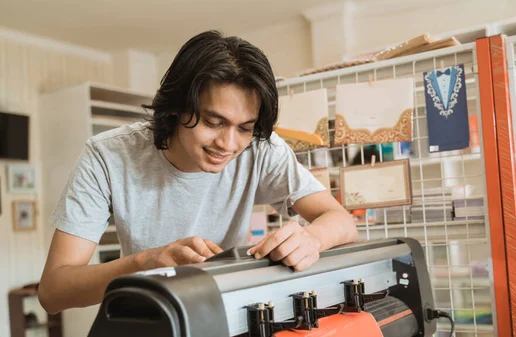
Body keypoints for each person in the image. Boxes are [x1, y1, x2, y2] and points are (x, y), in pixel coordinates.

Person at [39, 30, 357, 314]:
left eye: (244, 127)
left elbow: (341, 221)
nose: (228, 144)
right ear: (177, 106)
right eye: (213, 122)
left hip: (229, 316)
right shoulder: (109, 156)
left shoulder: (261, 148)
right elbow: (53, 292)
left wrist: (312, 238)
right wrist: (144, 263)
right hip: (147, 322)